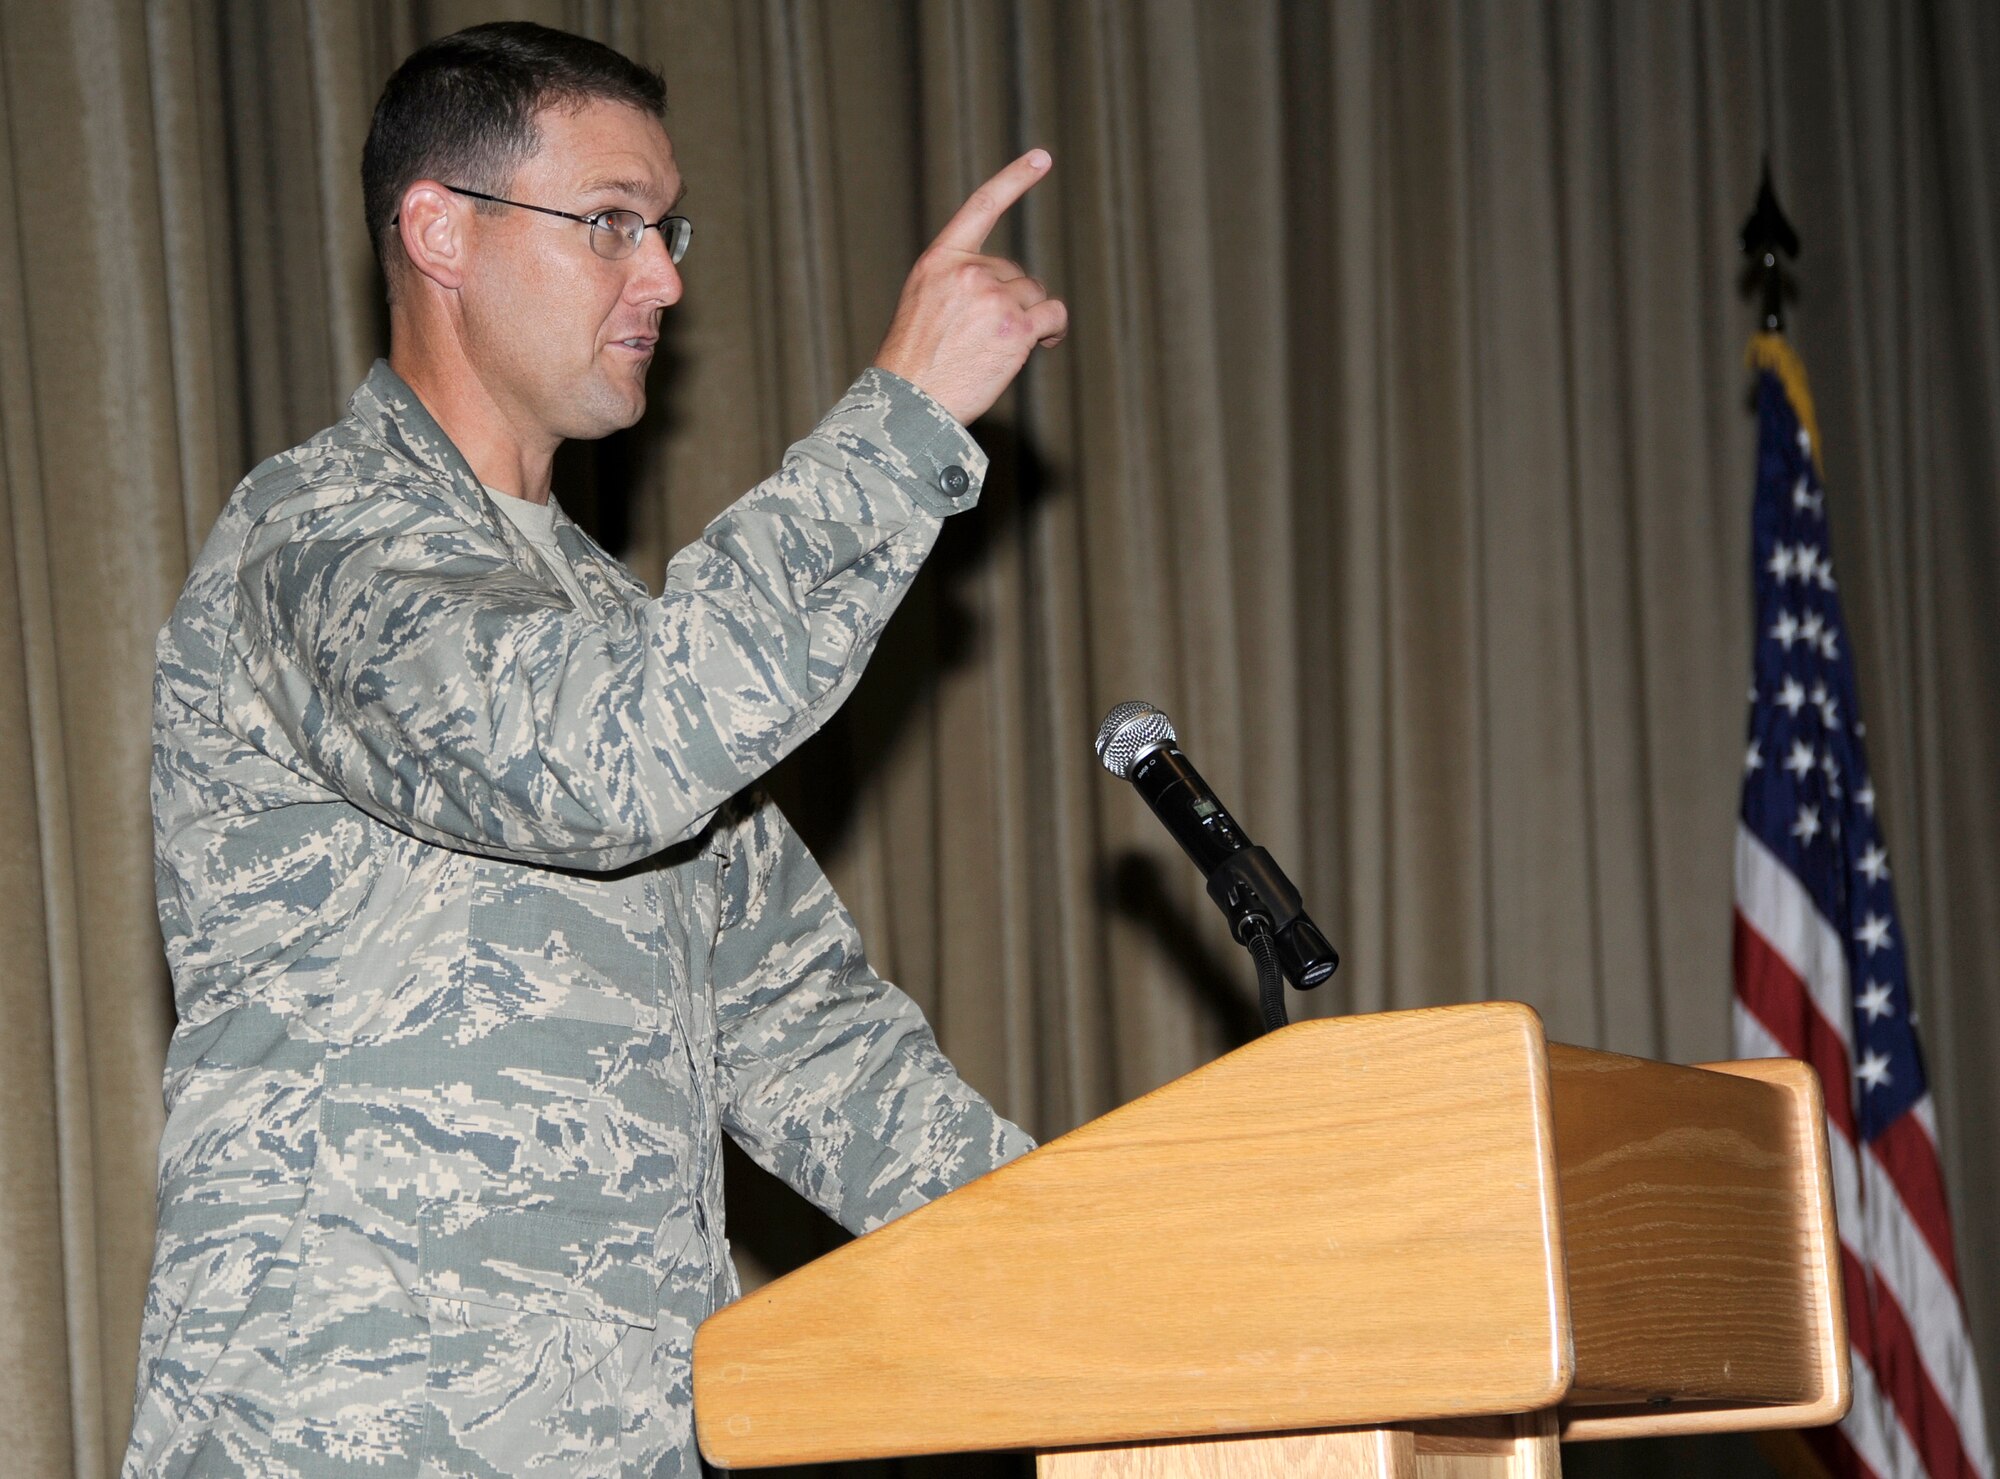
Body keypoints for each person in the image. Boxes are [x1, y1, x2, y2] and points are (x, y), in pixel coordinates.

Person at [126, 21, 1064, 1478]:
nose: (668, 278)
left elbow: (806, 1034)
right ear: (440, 230)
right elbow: (604, 756)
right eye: (612, 224)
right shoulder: (318, 546)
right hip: (344, 1434)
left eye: (667, 227)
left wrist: (1102, 1251)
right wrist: (905, 424)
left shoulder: (604, 622)